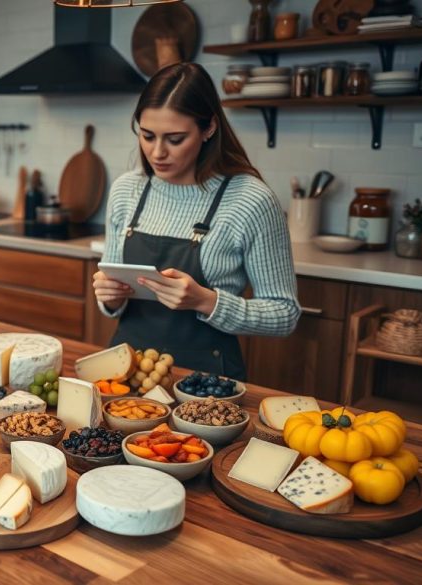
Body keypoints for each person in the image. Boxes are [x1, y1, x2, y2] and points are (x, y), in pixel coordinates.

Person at [92, 62, 300, 381]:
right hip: (126, 376)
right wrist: (110, 297)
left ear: (209, 128)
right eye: (147, 136)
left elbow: (285, 315)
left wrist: (206, 301)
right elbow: (114, 296)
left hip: (207, 385)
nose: (157, 152)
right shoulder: (126, 190)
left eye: (175, 139)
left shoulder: (251, 200)